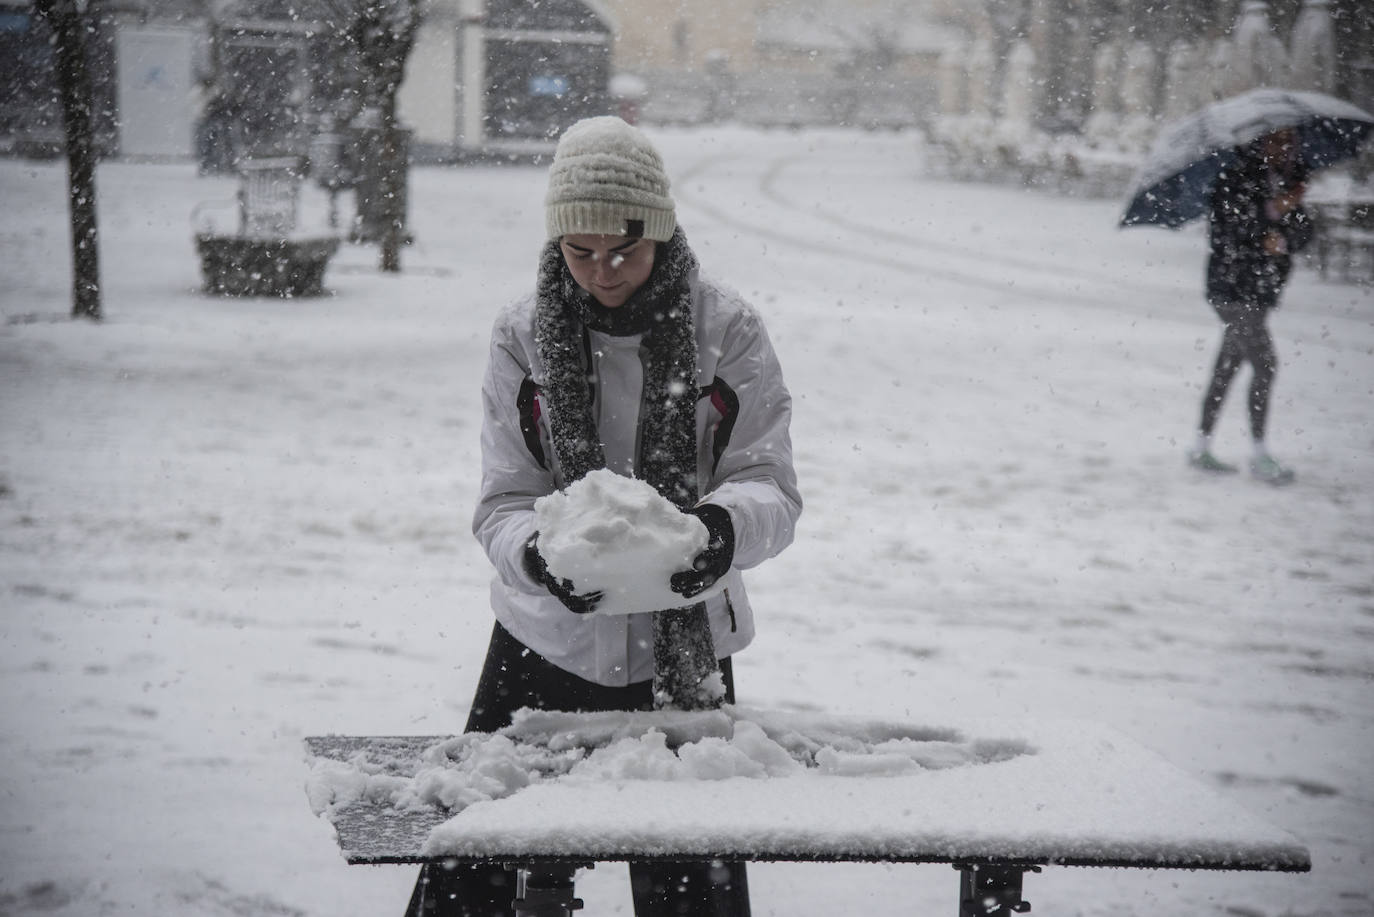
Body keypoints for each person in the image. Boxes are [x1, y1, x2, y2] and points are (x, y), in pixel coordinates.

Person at [404, 116, 802, 917]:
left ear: (658, 232)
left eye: (623, 250)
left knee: (691, 887)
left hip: (687, 649)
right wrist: (538, 560)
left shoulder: (725, 330)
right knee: (480, 868)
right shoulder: (522, 336)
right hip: (544, 642)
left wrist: (718, 536)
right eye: (579, 253)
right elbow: (503, 499)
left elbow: (768, 482)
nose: (602, 273)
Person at [1188, 127, 1313, 485]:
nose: (1283, 148)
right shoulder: (1235, 179)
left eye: (1289, 141)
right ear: (1259, 142)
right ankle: (1259, 453)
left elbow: (1305, 233)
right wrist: (1271, 217)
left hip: (1260, 292)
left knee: (1227, 366)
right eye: (1275, 140)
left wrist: (1286, 233)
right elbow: (1226, 231)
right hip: (1233, 289)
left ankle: (1200, 444)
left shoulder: (1287, 182)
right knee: (1266, 364)